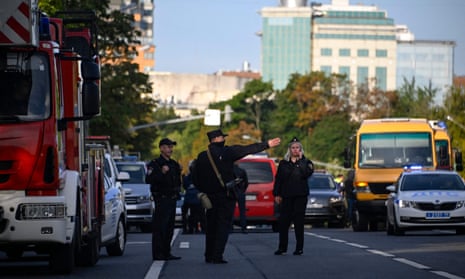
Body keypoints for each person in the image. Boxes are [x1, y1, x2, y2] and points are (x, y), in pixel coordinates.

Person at [193, 129, 281, 264]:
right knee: (223, 226)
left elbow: (195, 177)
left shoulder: (202, 156)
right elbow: (247, 149)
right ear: (217, 139)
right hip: (225, 195)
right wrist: (266, 144)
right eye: (222, 137)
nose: (224, 140)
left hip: (209, 197)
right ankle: (217, 255)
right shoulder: (228, 152)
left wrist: (204, 190)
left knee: (211, 226)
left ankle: (208, 254)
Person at [273, 137, 314, 256]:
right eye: (293, 148)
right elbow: (279, 179)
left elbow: (306, 174)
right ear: (289, 149)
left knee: (299, 222)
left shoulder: (307, 162)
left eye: (297, 148)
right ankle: (282, 247)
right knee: (284, 222)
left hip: (300, 196)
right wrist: (277, 193)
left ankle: (299, 248)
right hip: (286, 196)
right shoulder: (284, 163)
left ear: (301, 149)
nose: (295, 150)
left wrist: (300, 161)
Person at [146, 138, 182, 261]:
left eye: (171, 147)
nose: (170, 149)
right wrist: (161, 172)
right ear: (161, 148)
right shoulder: (155, 164)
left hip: (172, 199)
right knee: (160, 227)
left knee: (169, 228)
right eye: (167, 147)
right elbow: (149, 179)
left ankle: (167, 252)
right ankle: (158, 253)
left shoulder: (173, 164)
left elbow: (177, 181)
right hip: (161, 199)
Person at [182, 160, 205, 234]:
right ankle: (202, 228)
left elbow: (185, 186)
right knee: (201, 214)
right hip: (198, 198)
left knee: (188, 213)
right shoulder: (201, 177)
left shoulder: (186, 178)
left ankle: (187, 228)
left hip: (189, 199)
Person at [233, 162, 249, 233]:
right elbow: (246, 182)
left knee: (231, 210)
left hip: (232, 192)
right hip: (241, 192)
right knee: (242, 211)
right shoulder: (242, 171)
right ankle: (243, 227)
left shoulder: (229, 171)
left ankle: (230, 227)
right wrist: (243, 190)